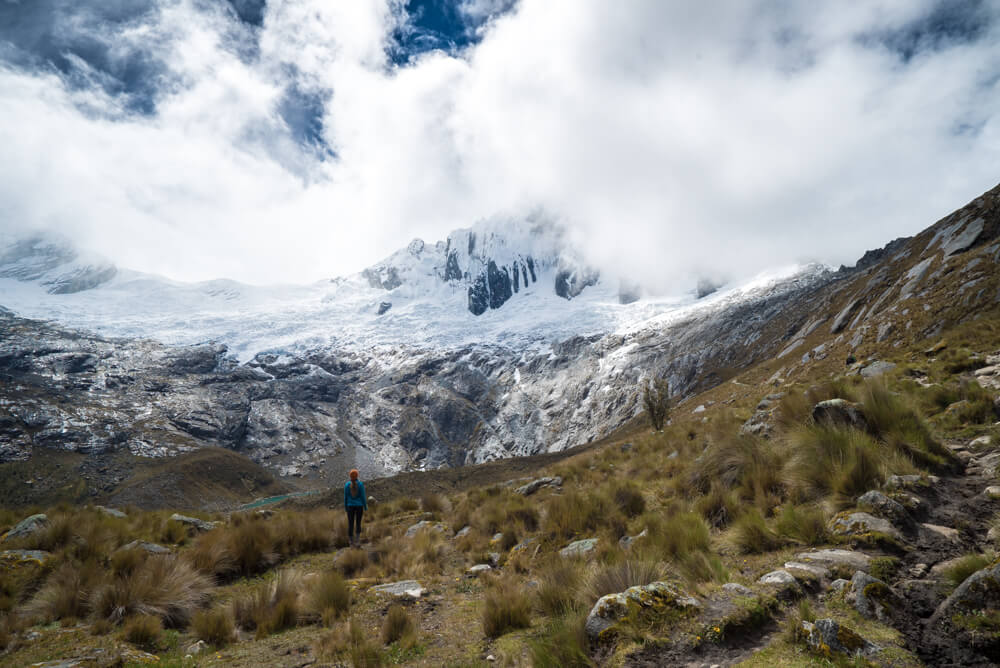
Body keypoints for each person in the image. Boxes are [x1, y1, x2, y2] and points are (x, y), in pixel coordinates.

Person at [344, 469, 367, 547]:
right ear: (357, 476)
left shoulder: (347, 485)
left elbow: (345, 498)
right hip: (359, 507)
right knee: (358, 523)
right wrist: (365, 507)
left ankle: (351, 542)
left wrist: (346, 507)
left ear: (350, 476)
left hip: (350, 507)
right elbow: (363, 497)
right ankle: (357, 541)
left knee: (350, 524)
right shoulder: (360, 485)